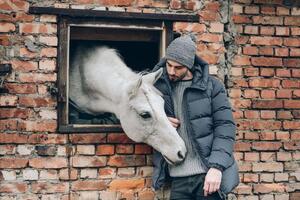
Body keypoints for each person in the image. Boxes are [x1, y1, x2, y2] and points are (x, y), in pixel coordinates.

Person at [151, 34, 239, 200]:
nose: (171, 72)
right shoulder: (157, 86)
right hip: (178, 178)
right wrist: (160, 122)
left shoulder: (212, 87)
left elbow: (225, 128)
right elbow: (137, 115)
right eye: (169, 65)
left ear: (189, 65)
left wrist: (216, 167)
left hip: (207, 175)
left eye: (178, 68)